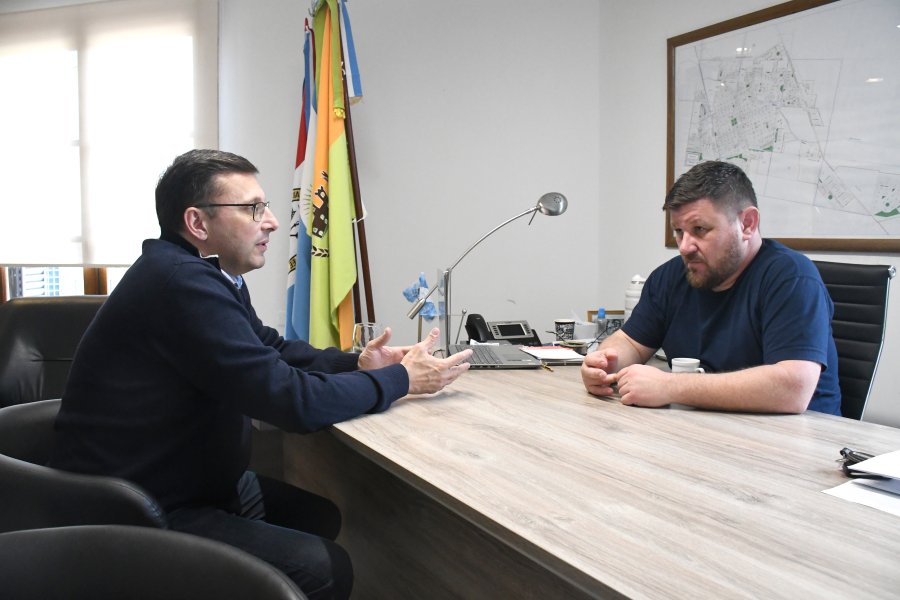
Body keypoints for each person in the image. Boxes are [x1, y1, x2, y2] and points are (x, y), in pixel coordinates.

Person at [49, 149, 473, 599]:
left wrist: (360, 364)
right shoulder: (181, 285)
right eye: (253, 208)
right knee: (324, 568)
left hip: (188, 481)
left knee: (318, 517)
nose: (272, 221)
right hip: (142, 506)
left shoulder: (205, 272)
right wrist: (402, 381)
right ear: (198, 223)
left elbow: (270, 348)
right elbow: (292, 402)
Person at [581, 160, 841, 415]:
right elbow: (631, 342)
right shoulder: (671, 276)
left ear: (747, 224)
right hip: (705, 434)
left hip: (796, 445)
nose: (684, 247)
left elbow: (793, 389)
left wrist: (670, 386)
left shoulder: (791, 278)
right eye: (679, 231)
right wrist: (605, 362)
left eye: (700, 229)